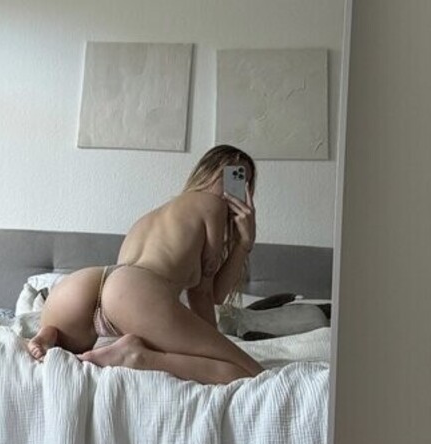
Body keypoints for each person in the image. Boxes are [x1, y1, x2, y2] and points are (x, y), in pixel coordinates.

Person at [26, 146, 263, 385]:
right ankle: (137, 356)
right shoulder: (213, 205)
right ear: (210, 172)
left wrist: (241, 243)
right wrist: (244, 243)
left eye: (244, 181)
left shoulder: (158, 213)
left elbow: (210, 295)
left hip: (81, 287)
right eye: (235, 175)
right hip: (133, 295)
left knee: (66, 347)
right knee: (250, 373)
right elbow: (205, 294)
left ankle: (49, 335)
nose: (238, 187)